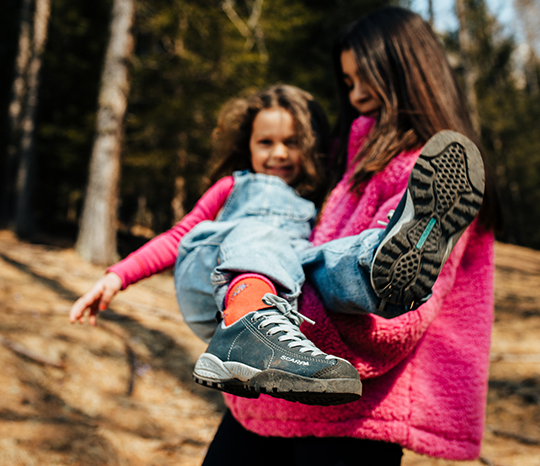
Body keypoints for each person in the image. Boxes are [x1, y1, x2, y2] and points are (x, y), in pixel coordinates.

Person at [201, 6, 502, 466]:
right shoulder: (352, 168)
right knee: (297, 258)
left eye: (367, 78)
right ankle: (340, 276)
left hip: (350, 416)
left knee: (317, 264)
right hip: (270, 398)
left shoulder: (436, 176)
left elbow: (396, 325)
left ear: (406, 69)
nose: (358, 95)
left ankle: (366, 266)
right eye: (348, 83)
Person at [70, 84, 362, 406]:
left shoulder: (317, 202)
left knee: (324, 258)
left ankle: (374, 265)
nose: (278, 153)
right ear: (247, 145)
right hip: (215, 290)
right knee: (260, 228)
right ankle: (246, 317)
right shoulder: (235, 186)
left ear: (310, 146)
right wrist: (117, 277)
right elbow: (178, 237)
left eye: (291, 143)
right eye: (265, 142)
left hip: (282, 301)